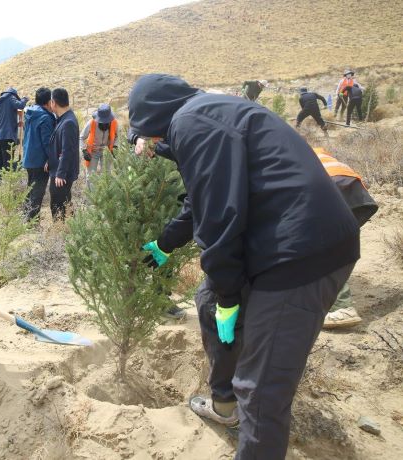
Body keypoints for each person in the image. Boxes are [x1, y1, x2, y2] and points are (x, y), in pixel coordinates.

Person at [130, 74, 359, 459]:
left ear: (153, 116)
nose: (149, 143)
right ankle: (225, 405)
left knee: (261, 389)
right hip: (287, 238)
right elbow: (201, 200)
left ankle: (249, 421)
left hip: (302, 254)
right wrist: (165, 244)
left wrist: (230, 297)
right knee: (207, 301)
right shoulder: (207, 113)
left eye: (147, 134)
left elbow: (219, 216)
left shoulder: (192, 123)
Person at [312, 147, 378, 329]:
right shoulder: (312, 151)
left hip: (328, 186)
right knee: (337, 248)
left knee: (321, 250)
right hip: (355, 191)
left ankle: (342, 308)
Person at [22, 87, 56, 221]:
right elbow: (47, 142)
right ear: (48, 102)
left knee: (30, 191)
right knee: (37, 194)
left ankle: (25, 219)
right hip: (40, 161)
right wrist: (51, 159)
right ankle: (31, 224)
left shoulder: (30, 113)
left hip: (28, 158)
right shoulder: (45, 118)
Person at [48, 88, 79, 220]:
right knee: (65, 202)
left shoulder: (68, 122)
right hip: (59, 168)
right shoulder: (63, 118)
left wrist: (60, 174)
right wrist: (49, 161)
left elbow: (68, 151)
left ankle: (60, 229)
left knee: (58, 205)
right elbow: (58, 145)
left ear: (53, 102)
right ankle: (73, 226)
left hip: (62, 173)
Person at [0, 88, 28, 182]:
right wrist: (25, 98)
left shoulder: (0, 102)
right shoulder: (11, 98)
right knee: (8, 161)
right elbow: (20, 105)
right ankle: (8, 183)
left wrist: (16, 124)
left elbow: (4, 119)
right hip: (7, 136)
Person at [80, 103, 118, 186]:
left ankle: (105, 193)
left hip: (107, 151)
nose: (104, 123)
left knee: (106, 175)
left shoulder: (114, 123)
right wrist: (84, 150)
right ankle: (92, 194)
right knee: (91, 176)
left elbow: (116, 136)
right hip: (93, 152)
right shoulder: (91, 123)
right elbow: (81, 137)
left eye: (106, 121)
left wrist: (115, 146)